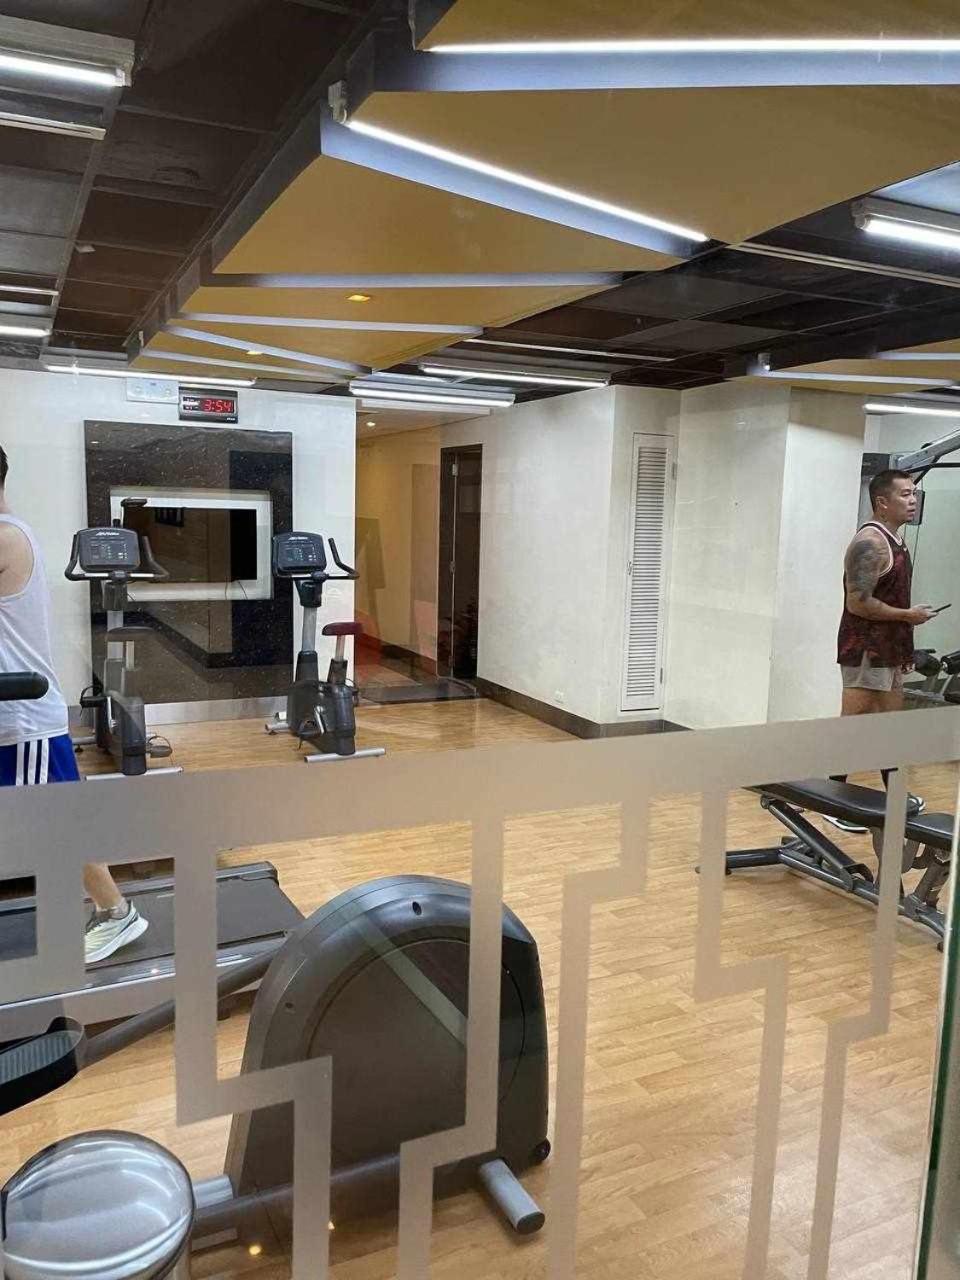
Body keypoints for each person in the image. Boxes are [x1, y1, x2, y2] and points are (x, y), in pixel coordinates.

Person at [0, 443, 147, 962]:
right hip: (14, 719)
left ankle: (116, 911)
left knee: (54, 829)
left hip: (22, 721)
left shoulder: (6, 536)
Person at [828, 468, 936, 832]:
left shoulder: (896, 540)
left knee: (890, 725)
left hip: (889, 649)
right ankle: (830, 801)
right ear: (882, 502)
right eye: (905, 494)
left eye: (914, 493)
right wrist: (907, 615)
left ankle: (896, 795)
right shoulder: (871, 543)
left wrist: (909, 618)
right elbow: (858, 603)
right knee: (854, 726)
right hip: (866, 651)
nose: (913, 500)